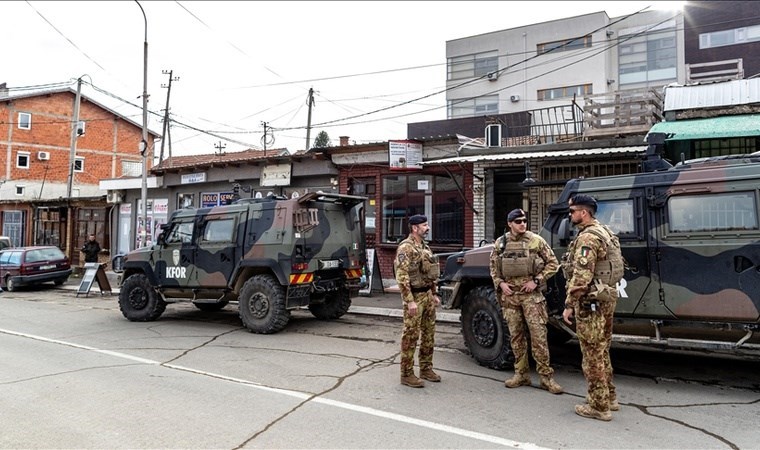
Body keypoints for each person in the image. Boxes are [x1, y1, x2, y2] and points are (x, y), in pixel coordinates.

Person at [489, 208, 563, 394]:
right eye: (518, 221)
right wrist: (500, 284)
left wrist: (536, 281)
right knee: (516, 336)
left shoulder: (536, 241)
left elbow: (553, 263)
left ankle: (546, 377)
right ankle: (521, 373)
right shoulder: (501, 243)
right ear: (510, 224)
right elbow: (493, 268)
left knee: (539, 336)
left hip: (531, 297)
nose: (523, 224)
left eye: (524, 221)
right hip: (511, 297)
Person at [561, 194, 619, 421]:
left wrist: (569, 305)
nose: (570, 215)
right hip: (606, 299)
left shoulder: (587, 239)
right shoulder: (606, 232)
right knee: (603, 349)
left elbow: (581, 278)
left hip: (590, 303)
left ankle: (598, 406)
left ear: (583, 213)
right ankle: (609, 397)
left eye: (572, 211)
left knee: (592, 353)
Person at [394, 214, 441, 388]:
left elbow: (430, 273)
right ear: (415, 228)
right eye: (424, 225)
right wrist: (409, 301)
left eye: (427, 225)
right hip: (414, 298)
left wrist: (434, 294)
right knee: (411, 336)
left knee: (429, 335)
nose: (427, 228)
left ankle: (426, 368)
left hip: (427, 296)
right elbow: (402, 276)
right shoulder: (406, 248)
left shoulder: (425, 247)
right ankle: (406, 374)